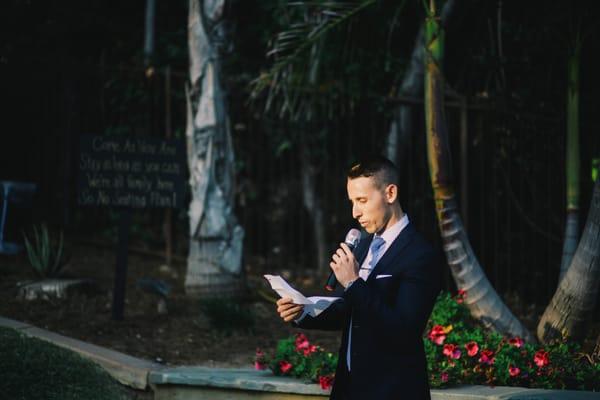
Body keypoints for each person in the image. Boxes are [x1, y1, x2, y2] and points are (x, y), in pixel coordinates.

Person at [276, 156, 442, 400]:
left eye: (362, 201)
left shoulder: (420, 254)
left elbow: (404, 330)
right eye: (352, 202)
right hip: (350, 388)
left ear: (390, 193)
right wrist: (302, 310)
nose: (355, 212)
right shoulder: (364, 246)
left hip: (393, 391)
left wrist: (353, 283)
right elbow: (351, 311)